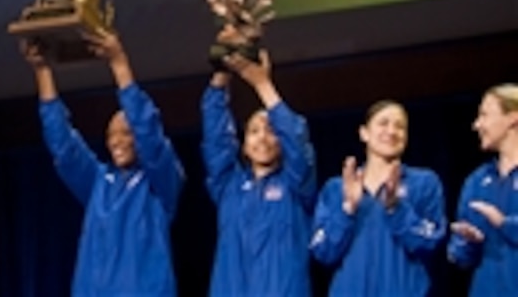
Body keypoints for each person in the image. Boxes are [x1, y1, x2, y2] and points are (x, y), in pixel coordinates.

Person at [22, 30, 184, 296]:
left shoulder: (160, 183)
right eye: (111, 135)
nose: (117, 141)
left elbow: (147, 129)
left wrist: (119, 63)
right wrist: (42, 71)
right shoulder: (98, 181)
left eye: (126, 133)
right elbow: (62, 143)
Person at [201, 48, 317, 296]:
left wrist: (263, 84)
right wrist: (222, 73)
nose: (262, 138)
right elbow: (215, 136)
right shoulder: (228, 185)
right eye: (254, 131)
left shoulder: (297, 184)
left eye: (271, 130)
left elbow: (296, 139)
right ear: (243, 144)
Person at [310, 100, 446, 295]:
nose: (391, 131)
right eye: (383, 123)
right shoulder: (335, 188)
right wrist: (348, 209)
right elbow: (323, 252)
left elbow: (431, 243)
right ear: (364, 133)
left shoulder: (424, 183)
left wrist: (395, 208)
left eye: (400, 126)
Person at [447, 83, 517, 296]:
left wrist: (505, 224)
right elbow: (460, 257)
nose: (477, 125)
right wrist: (465, 242)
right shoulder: (476, 181)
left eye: (484, 115)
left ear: (512, 118)